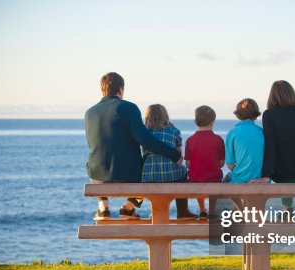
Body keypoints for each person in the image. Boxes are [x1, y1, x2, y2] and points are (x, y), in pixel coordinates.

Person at [85, 72, 182, 220]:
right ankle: (129, 207)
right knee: (146, 169)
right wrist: (174, 155)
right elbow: (144, 138)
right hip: (127, 175)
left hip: (98, 175)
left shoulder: (89, 113)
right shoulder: (128, 108)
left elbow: (93, 144)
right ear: (121, 89)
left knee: (93, 162)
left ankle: (103, 207)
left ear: (102, 89)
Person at [250, 80, 295, 211]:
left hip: (284, 177)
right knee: (291, 164)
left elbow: (270, 147)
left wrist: (266, 176)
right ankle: (288, 208)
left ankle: (287, 208)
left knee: (285, 175)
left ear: (273, 96)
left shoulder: (269, 114)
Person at [141, 104, 197, 219]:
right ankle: (182, 211)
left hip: (148, 178)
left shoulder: (145, 133)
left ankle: (157, 211)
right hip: (171, 177)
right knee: (183, 171)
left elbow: (144, 153)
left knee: (154, 178)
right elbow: (179, 157)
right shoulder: (173, 131)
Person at [185, 105, 225, 218]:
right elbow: (221, 163)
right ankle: (212, 211)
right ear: (212, 121)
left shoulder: (190, 140)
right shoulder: (218, 139)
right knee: (216, 181)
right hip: (214, 180)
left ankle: (202, 210)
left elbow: (188, 165)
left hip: (195, 181)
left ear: (195, 121)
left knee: (197, 176)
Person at [225, 98, 264, 184]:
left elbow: (230, 165)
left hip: (238, 179)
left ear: (238, 114)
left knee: (225, 180)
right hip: (259, 179)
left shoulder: (232, 133)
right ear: (256, 114)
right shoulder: (262, 132)